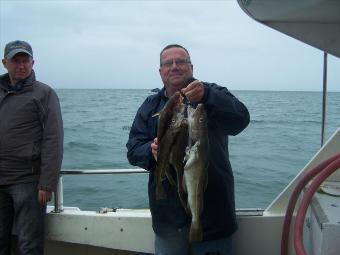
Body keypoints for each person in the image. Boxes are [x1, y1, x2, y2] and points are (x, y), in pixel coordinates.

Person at [126, 44, 250, 255]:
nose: (174, 67)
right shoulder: (150, 105)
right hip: (168, 221)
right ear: (160, 72)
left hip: (214, 219)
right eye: (168, 63)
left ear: (191, 67)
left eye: (181, 61)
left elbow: (241, 120)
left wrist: (207, 95)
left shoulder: (213, 94)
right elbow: (133, 149)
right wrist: (150, 151)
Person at [0, 40, 63, 255]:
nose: (20, 65)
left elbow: (53, 139)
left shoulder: (44, 94)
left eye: (25, 60)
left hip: (27, 182)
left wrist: (47, 183)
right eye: (15, 60)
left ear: (33, 62)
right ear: (4, 63)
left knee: (29, 246)